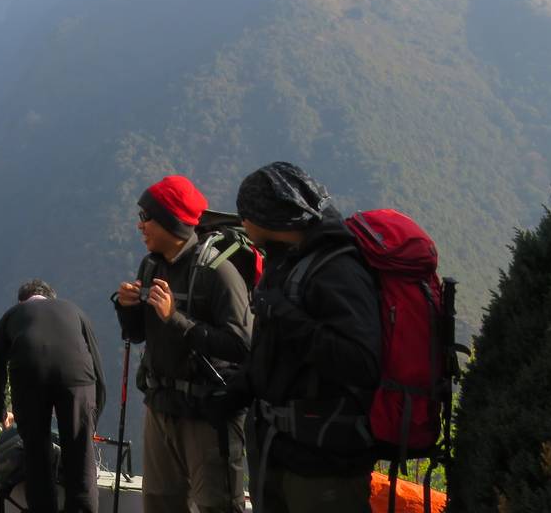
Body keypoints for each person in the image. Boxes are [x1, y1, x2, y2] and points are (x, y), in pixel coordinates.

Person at [231, 162, 380, 513]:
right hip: (279, 453)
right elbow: (276, 354)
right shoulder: (284, 264)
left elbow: (361, 362)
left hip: (323, 467)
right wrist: (237, 389)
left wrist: (285, 315)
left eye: (245, 214)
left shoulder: (338, 269)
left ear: (268, 218)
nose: (243, 224)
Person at [114, 176, 251, 513]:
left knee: (216, 505)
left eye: (147, 218)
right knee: (160, 503)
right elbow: (138, 335)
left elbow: (240, 344)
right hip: (161, 406)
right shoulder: (150, 267)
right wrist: (126, 308)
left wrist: (174, 317)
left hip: (206, 415)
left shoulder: (219, 273)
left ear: (170, 222)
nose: (139, 226)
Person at [0, 279, 106, 513]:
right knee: (80, 455)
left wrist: (0, 412)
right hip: (78, 377)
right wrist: (91, 419)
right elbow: (97, 368)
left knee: (36, 453)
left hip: (29, 377)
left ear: (22, 302)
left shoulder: (12, 315)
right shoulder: (74, 311)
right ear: (52, 298)